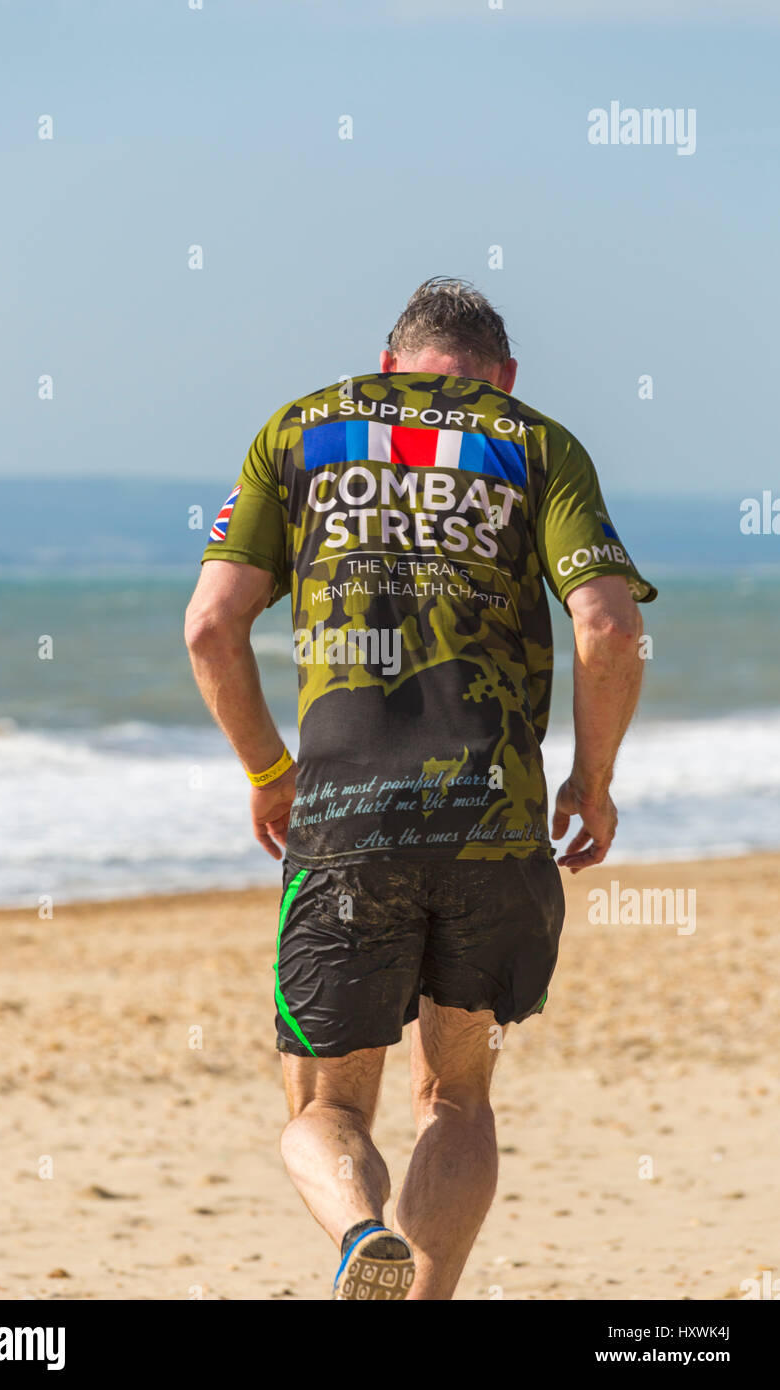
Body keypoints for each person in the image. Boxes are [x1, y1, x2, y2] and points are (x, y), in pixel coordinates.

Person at [184, 276, 656, 1300]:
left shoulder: (299, 431)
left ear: (387, 364)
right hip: (490, 821)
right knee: (455, 1096)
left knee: (323, 1108)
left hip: (345, 817)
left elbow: (210, 626)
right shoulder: (533, 441)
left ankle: (359, 1236)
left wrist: (270, 771)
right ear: (504, 374)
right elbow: (609, 629)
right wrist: (591, 780)